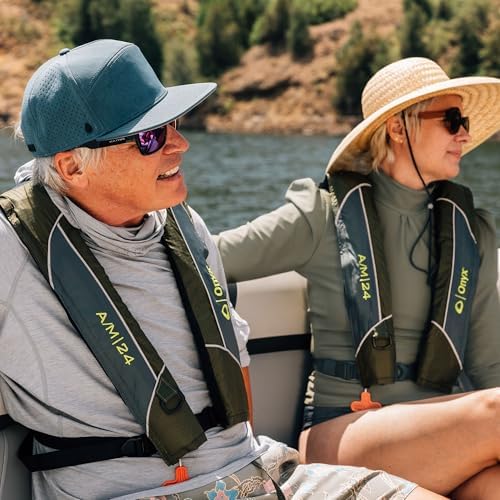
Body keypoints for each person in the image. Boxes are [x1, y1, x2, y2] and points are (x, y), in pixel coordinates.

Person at [0, 40, 444, 500]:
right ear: (72, 167)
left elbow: (237, 371)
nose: (180, 144)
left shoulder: (185, 226)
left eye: (172, 124)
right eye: (150, 137)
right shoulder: (11, 248)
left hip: (258, 474)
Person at [217, 57, 500, 499]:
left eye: (463, 122)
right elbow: (208, 256)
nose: (463, 134)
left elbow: (488, 367)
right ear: (398, 129)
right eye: (451, 121)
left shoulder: (471, 233)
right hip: (342, 430)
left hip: (436, 437)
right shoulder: (321, 215)